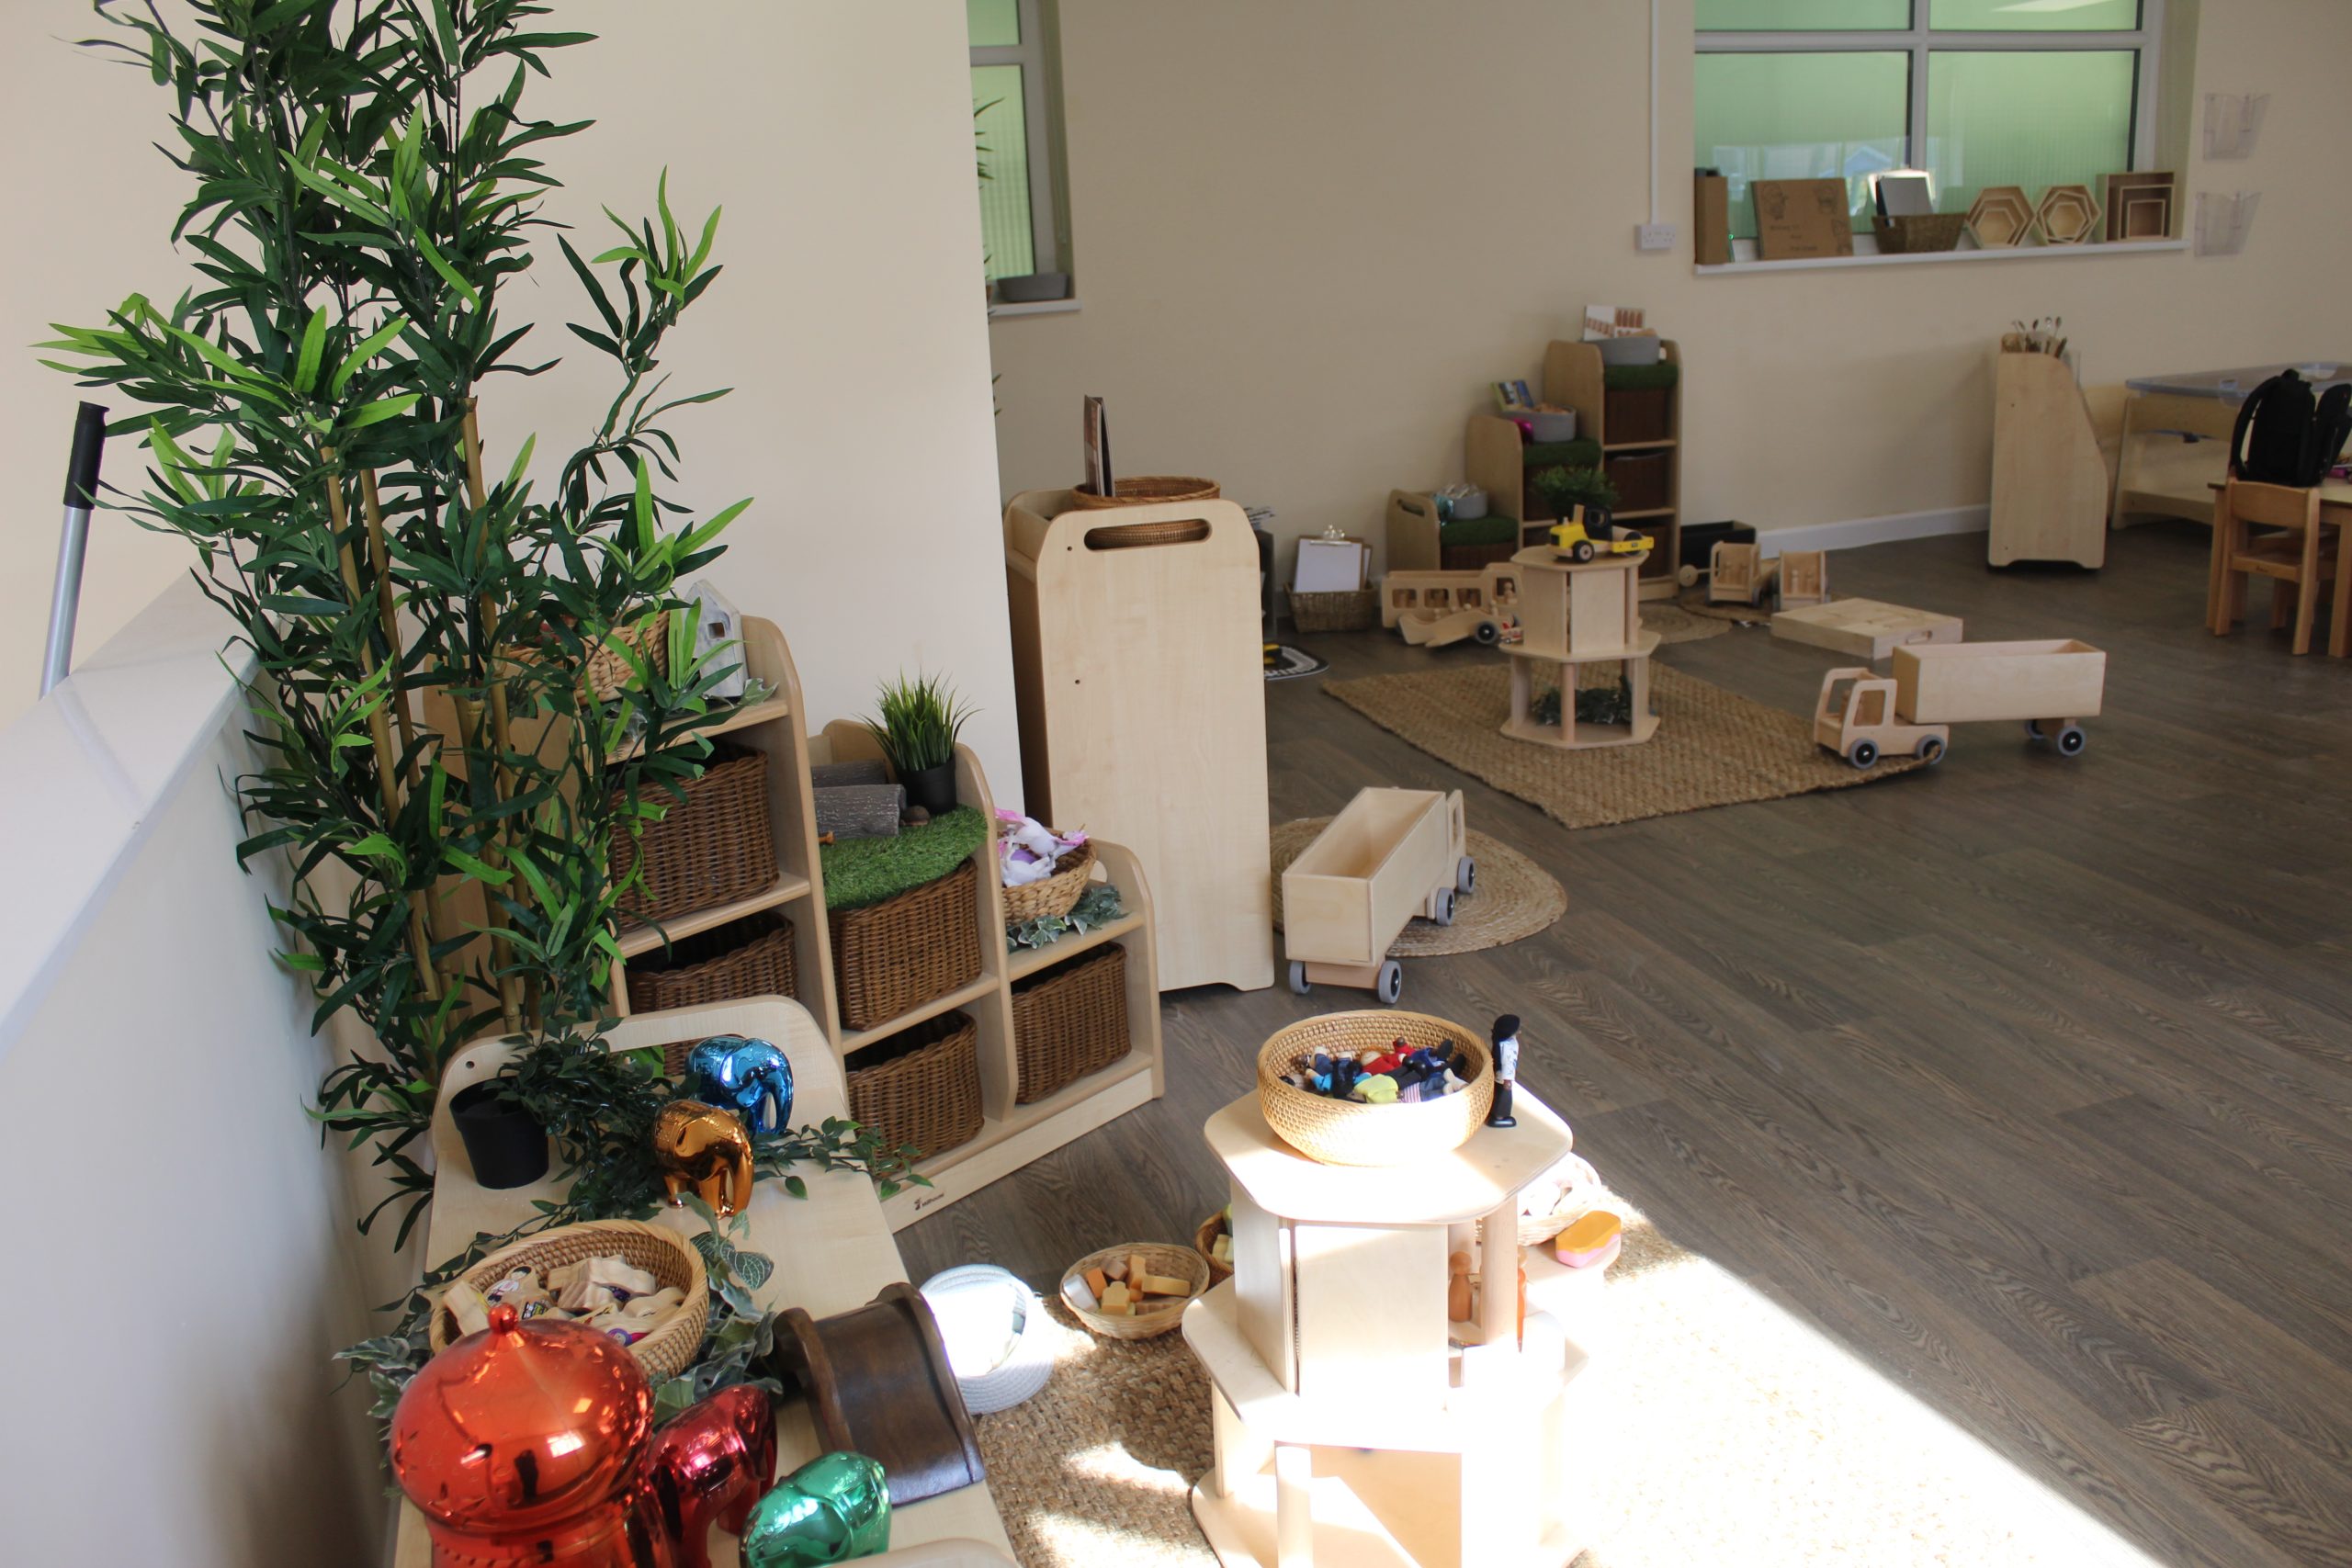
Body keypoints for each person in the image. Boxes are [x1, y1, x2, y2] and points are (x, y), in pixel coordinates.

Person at [1487, 1014, 1520, 1128]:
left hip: (1497, 1073)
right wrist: (1508, 1080)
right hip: (1503, 1077)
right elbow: (1508, 1063)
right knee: (1504, 1097)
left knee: (1496, 1093)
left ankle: (1492, 1110)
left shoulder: (1500, 1042)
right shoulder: (1507, 1046)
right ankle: (1499, 1116)